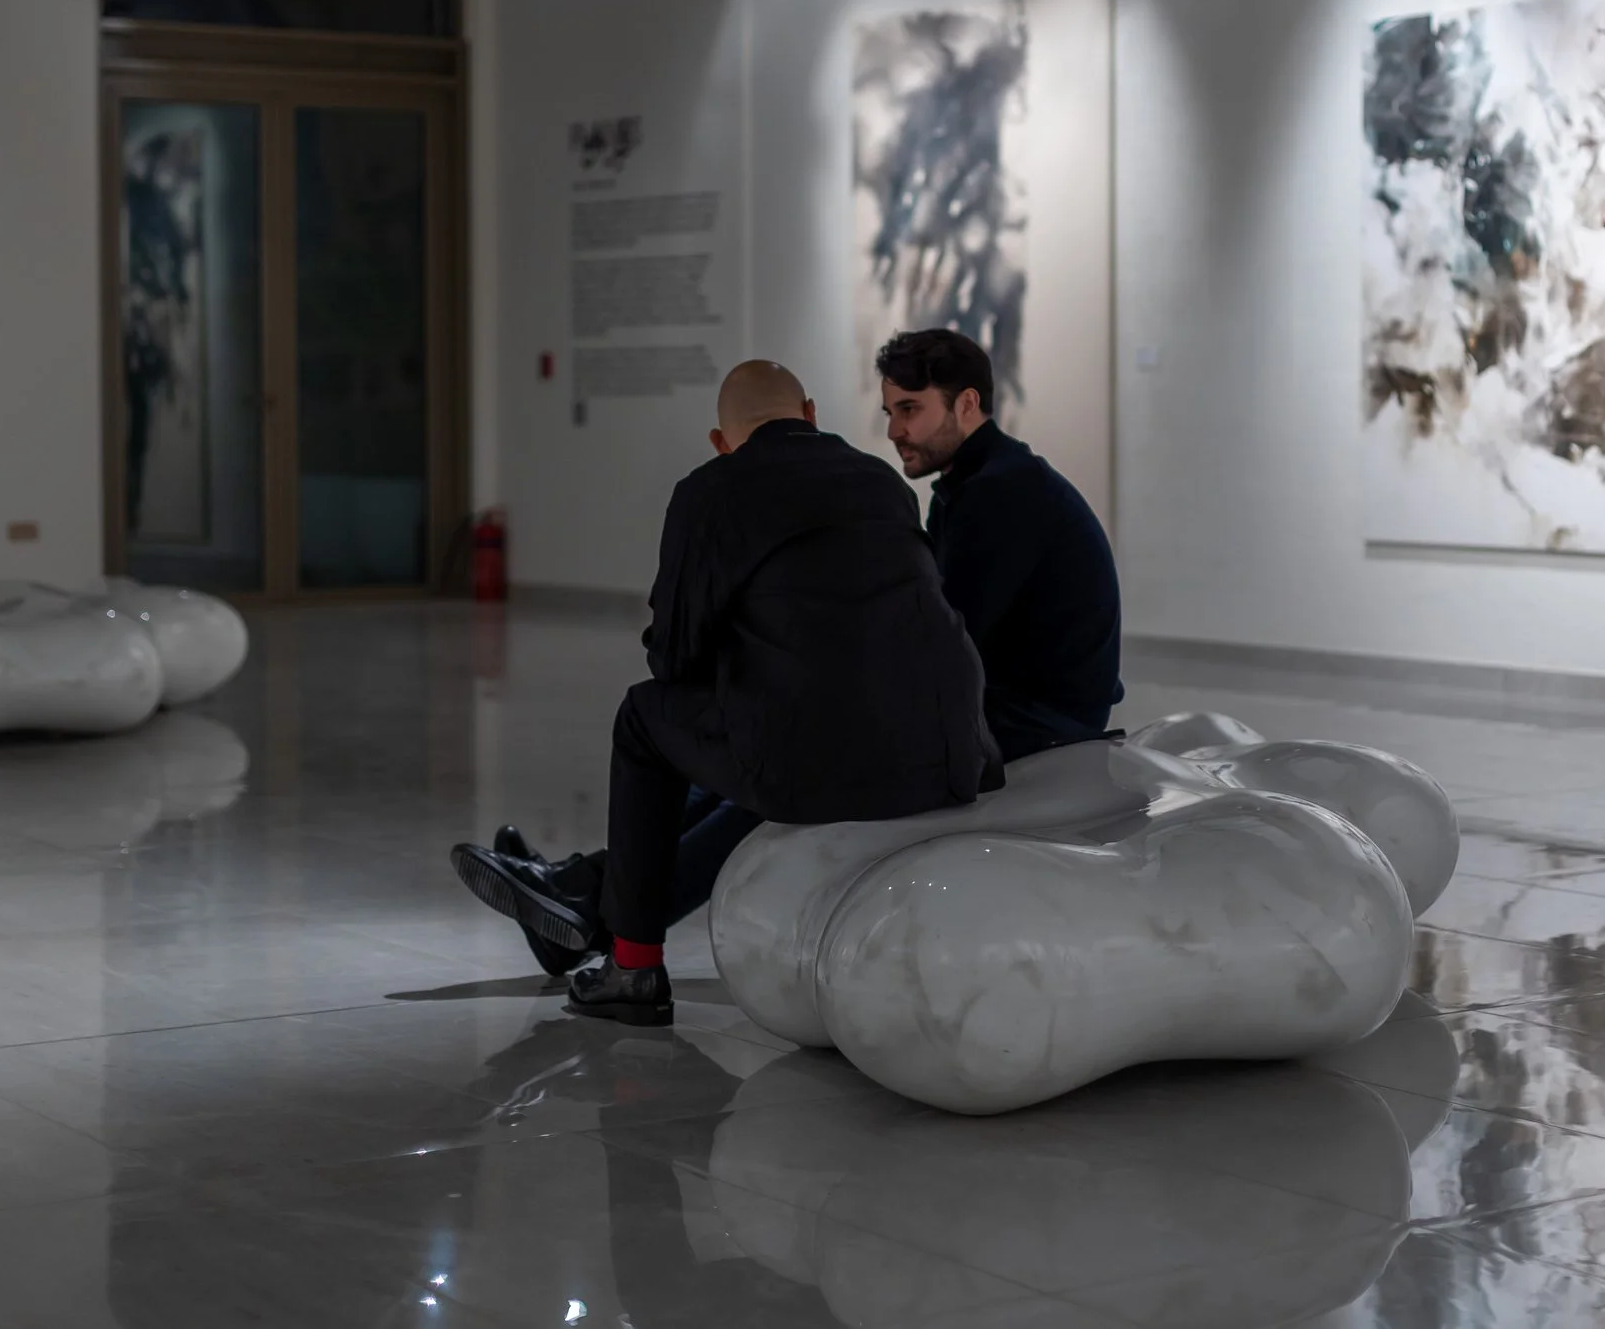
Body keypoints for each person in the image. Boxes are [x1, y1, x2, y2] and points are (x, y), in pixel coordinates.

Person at [453, 359, 995, 1024]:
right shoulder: (881, 481)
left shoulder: (711, 490)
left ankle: (633, 966)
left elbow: (671, 657)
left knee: (647, 720)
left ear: (720, 440)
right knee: (757, 726)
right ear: (812, 414)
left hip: (824, 765)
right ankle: (578, 893)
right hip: (950, 755)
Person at [876, 328, 1124, 760]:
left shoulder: (1000, 492)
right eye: (890, 412)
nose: (894, 430)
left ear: (967, 404)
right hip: (1026, 707)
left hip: (1040, 721)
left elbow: (950, 633)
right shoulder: (979, 482)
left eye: (909, 409)